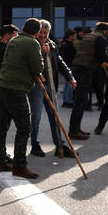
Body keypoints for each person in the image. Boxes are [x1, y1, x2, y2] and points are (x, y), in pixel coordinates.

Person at [0, 18, 44, 179]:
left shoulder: (14, 40)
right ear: (36, 32)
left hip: (1, 85)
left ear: (23, 28)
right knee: (24, 128)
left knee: (1, 126)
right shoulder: (32, 43)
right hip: (15, 89)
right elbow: (37, 67)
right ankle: (20, 165)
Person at [34, 20, 76, 159]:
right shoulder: (31, 44)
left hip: (51, 84)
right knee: (36, 117)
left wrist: (70, 77)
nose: (43, 35)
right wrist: (39, 51)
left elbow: (59, 61)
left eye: (46, 32)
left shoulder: (52, 45)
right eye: (41, 32)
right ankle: (34, 144)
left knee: (55, 117)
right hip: (36, 85)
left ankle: (60, 145)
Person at [68, 22, 108, 140]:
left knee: (82, 99)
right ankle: (73, 130)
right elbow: (102, 57)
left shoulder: (90, 36)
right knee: (81, 100)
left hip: (78, 66)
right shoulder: (101, 38)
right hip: (85, 68)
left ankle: (76, 128)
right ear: (105, 31)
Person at [59, 29, 78, 107]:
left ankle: (65, 100)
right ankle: (69, 101)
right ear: (70, 36)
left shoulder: (64, 44)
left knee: (66, 84)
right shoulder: (70, 45)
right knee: (70, 84)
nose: (75, 37)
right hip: (70, 65)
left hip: (66, 64)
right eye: (74, 36)